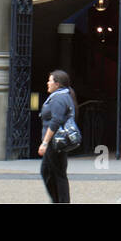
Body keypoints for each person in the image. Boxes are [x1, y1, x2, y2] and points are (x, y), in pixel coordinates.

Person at [37, 69, 76, 203]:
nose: (48, 83)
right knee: (49, 172)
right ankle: (58, 200)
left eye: (50, 80)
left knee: (56, 174)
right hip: (56, 142)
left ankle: (61, 201)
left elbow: (56, 121)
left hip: (55, 142)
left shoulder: (59, 98)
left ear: (57, 84)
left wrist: (45, 142)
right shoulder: (62, 96)